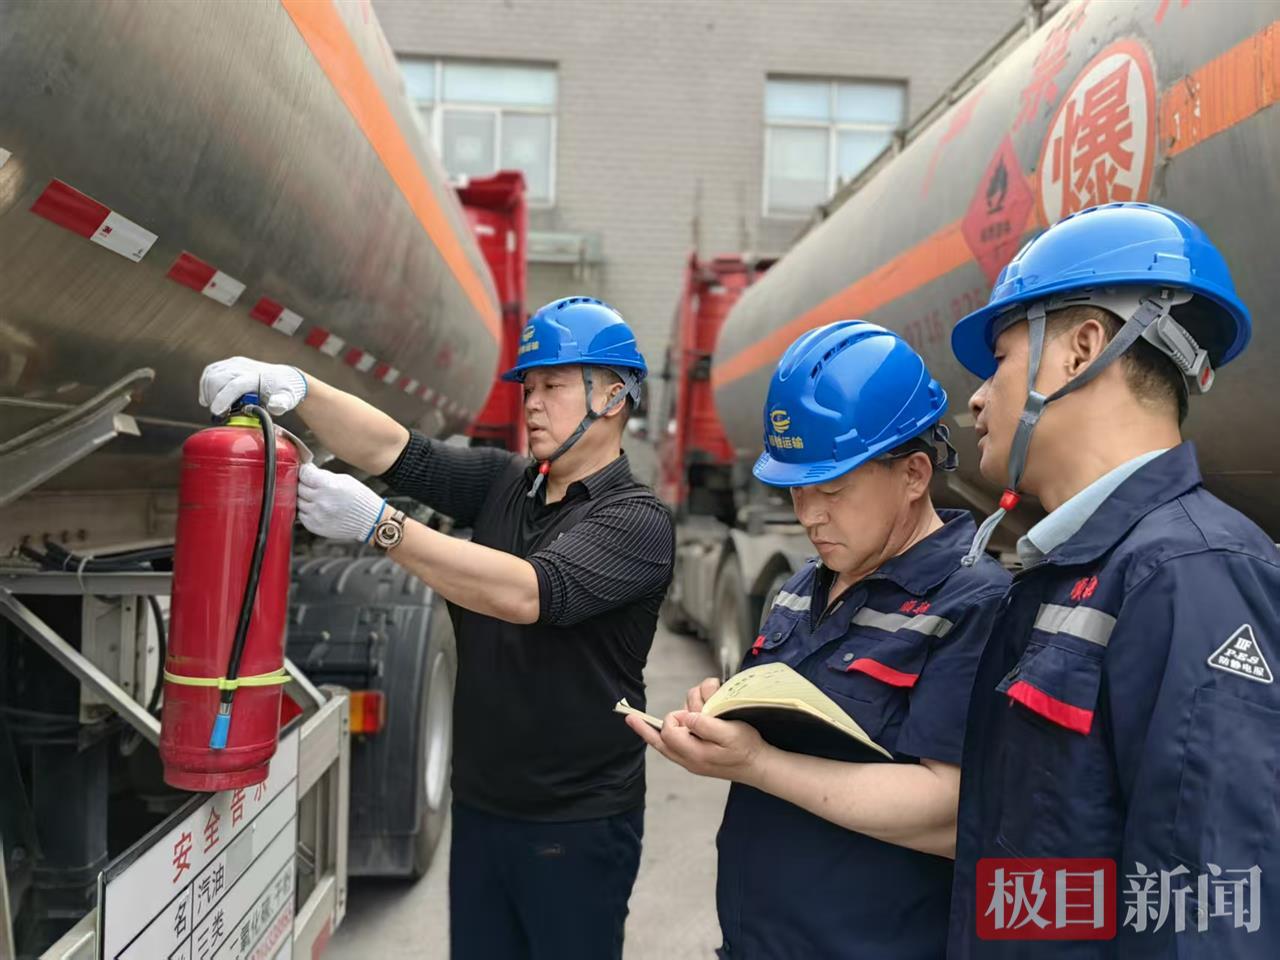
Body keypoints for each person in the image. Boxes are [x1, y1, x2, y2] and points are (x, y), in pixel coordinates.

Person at [200, 296, 674, 960]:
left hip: (578, 824)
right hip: (480, 808)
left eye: (554, 386)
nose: (533, 404)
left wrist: (382, 527)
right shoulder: (505, 482)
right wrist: (301, 388)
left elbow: (528, 593)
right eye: (529, 388)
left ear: (615, 396)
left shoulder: (638, 521)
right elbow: (396, 450)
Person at [947, 202, 1279, 957]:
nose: (977, 396)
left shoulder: (1193, 575)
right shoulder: (1071, 571)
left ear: (1081, 350)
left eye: (999, 359)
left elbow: (1207, 922)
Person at [627, 320, 1010, 958]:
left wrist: (756, 764)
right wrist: (723, 716)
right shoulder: (806, 583)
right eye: (797, 491)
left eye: (831, 489)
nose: (809, 516)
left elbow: (950, 811)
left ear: (914, 474)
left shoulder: (972, 604)